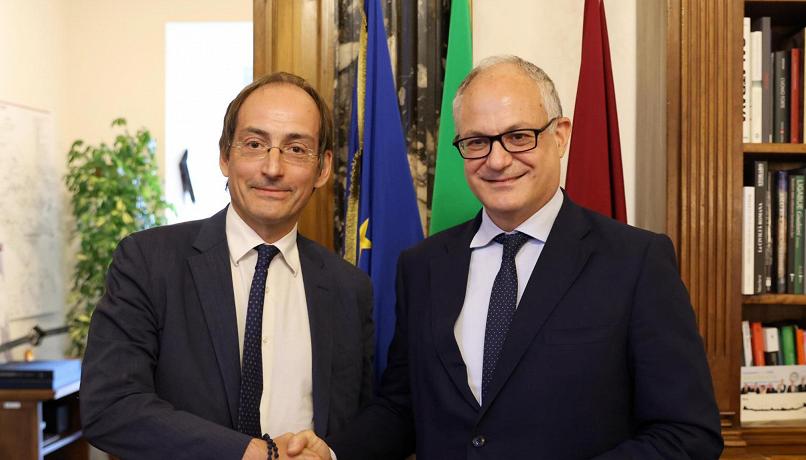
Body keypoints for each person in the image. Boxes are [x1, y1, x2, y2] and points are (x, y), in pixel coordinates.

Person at [290, 55, 723, 459]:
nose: (497, 160)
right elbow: (404, 408)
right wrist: (331, 453)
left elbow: (687, 433)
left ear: (560, 135)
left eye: (518, 136)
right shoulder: (423, 267)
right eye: (477, 141)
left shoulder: (636, 262)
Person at [80, 72, 373, 460]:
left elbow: (362, 422)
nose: (273, 167)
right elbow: (111, 405)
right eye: (254, 144)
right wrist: (254, 453)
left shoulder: (349, 288)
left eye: (296, 149)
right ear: (224, 156)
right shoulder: (149, 262)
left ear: (322, 169)